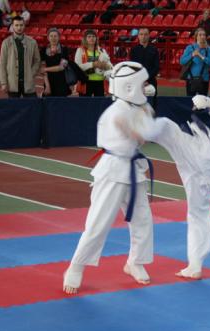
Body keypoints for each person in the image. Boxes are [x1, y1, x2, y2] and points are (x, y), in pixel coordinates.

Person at [126, 75, 210, 279]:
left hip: (202, 157)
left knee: (167, 127)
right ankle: (195, 265)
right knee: (198, 214)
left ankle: (132, 129)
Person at [63, 61, 158, 294]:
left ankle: (135, 261)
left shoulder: (139, 107)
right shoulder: (114, 113)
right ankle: (76, 266)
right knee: (98, 222)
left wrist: (143, 116)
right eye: (142, 84)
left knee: (143, 219)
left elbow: (146, 134)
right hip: (113, 169)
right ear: (129, 87)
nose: (146, 87)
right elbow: (140, 137)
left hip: (133, 169)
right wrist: (136, 129)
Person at [0, 16, 40, 97]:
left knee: (32, 104)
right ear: (12, 26)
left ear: (24, 26)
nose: (19, 28)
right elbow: (2, 64)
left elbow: (37, 61)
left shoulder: (32, 42)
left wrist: (31, 73)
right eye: (16, 25)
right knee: (13, 105)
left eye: (21, 25)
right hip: (12, 83)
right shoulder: (6, 43)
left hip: (28, 82)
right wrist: (3, 83)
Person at [75, 29, 112, 96]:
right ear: (85, 39)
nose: (91, 38)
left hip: (100, 82)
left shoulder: (102, 50)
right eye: (89, 36)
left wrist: (106, 66)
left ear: (96, 38)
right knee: (85, 102)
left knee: (100, 102)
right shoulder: (80, 50)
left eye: (93, 36)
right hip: (86, 82)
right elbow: (77, 67)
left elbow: (110, 66)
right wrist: (93, 64)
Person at [129, 27, 160, 108]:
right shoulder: (134, 50)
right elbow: (132, 67)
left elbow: (156, 67)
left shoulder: (154, 50)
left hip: (151, 81)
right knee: (136, 106)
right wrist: (140, 80)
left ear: (149, 36)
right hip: (137, 82)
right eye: (141, 34)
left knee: (152, 106)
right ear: (138, 36)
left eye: (145, 34)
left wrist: (146, 79)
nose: (143, 36)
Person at [179, 27, 210, 96]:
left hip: (204, 79)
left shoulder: (209, 49)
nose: (202, 37)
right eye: (200, 35)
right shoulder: (190, 47)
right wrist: (192, 55)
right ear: (196, 37)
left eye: (204, 35)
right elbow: (182, 61)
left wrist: (201, 56)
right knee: (190, 100)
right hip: (191, 79)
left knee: (203, 101)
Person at [41, 28, 72, 97]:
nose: (53, 38)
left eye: (55, 36)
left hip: (62, 82)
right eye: (51, 36)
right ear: (48, 38)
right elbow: (43, 70)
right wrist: (47, 86)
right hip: (49, 81)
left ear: (59, 37)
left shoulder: (64, 49)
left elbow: (61, 67)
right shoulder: (43, 50)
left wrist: (46, 69)